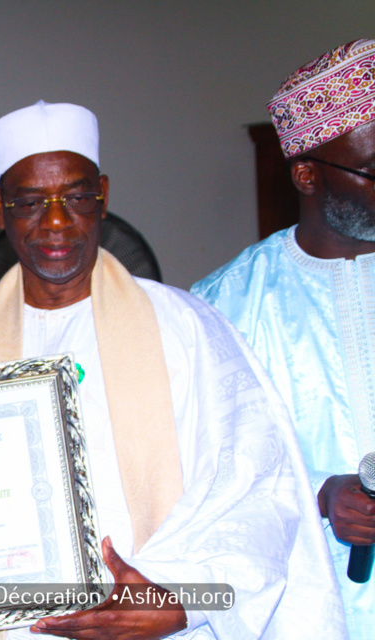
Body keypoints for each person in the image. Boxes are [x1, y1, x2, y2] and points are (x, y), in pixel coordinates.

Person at [0, 101, 346, 639]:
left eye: (78, 197)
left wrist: (178, 603)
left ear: (104, 196)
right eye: (31, 202)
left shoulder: (185, 325)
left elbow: (260, 496)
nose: (58, 222)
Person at [191, 39, 375, 639]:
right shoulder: (222, 309)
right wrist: (319, 494)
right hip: (305, 612)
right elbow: (200, 480)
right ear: (306, 175)